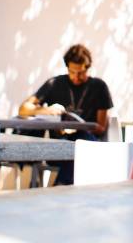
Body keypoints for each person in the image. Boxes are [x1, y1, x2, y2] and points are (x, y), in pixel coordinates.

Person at [18, 44, 114, 184]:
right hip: (59, 146)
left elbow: (101, 127)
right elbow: (23, 109)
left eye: (80, 73)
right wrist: (45, 110)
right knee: (64, 146)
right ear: (67, 67)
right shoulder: (55, 83)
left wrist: (78, 127)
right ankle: (60, 188)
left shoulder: (99, 86)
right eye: (72, 71)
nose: (75, 77)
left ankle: (60, 186)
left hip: (88, 145)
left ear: (87, 68)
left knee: (79, 142)